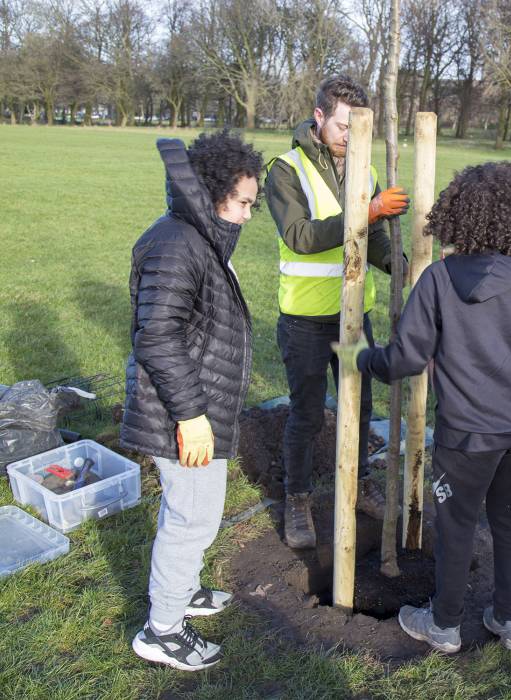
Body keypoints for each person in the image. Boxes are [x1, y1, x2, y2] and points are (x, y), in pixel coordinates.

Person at [333, 161, 511, 653]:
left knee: (457, 523)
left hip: (469, 434)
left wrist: (360, 357)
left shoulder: (439, 280)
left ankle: (444, 625)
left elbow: (403, 360)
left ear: (457, 216)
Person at [120, 130, 264, 671]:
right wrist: (192, 416)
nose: (248, 215)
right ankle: (162, 630)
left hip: (195, 407)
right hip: (181, 414)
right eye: (244, 202)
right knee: (192, 520)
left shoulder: (196, 238)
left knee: (194, 513)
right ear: (212, 193)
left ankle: (183, 591)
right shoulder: (177, 243)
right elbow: (157, 336)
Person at [264, 74, 409, 549]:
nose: (349, 136)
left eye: (358, 128)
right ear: (320, 117)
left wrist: (406, 268)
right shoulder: (286, 169)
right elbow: (301, 237)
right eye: (343, 126)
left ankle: (362, 484)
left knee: (361, 405)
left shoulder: (364, 168)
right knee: (306, 414)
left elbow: (377, 242)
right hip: (305, 322)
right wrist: (366, 213)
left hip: (353, 323)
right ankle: (299, 503)